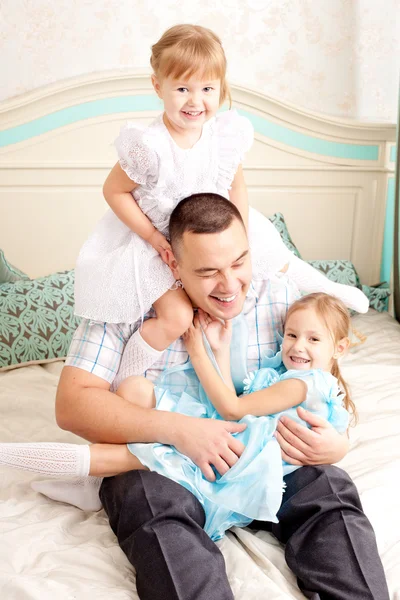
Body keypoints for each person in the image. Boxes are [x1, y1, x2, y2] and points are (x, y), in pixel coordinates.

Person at [0, 195, 388, 599]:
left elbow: (320, 371)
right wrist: (181, 430)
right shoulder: (119, 301)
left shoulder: (280, 295)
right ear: (173, 265)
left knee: (331, 491)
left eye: (239, 262)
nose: (230, 285)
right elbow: (72, 405)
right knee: (149, 502)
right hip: (167, 465)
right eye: (208, 272)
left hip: (263, 454)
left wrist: (336, 444)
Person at [73, 23, 368, 379]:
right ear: (158, 86)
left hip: (218, 230)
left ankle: (331, 288)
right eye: (182, 88)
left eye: (207, 89)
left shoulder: (223, 136)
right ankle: (125, 377)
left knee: (275, 257)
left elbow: (236, 186)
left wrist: (240, 232)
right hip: (161, 240)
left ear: (221, 89)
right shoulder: (149, 146)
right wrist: (153, 238)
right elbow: (114, 191)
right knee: (177, 316)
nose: (195, 101)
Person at [0, 293, 354, 543]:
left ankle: (59, 469)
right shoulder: (292, 374)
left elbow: (233, 407)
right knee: (136, 392)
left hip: (241, 452)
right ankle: (91, 478)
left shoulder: (303, 384)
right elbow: (241, 395)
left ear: (339, 349)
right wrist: (221, 350)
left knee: (148, 454)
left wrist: (199, 350)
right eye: (291, 335)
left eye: (313, 339)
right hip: (240, 436)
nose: (297, 346)